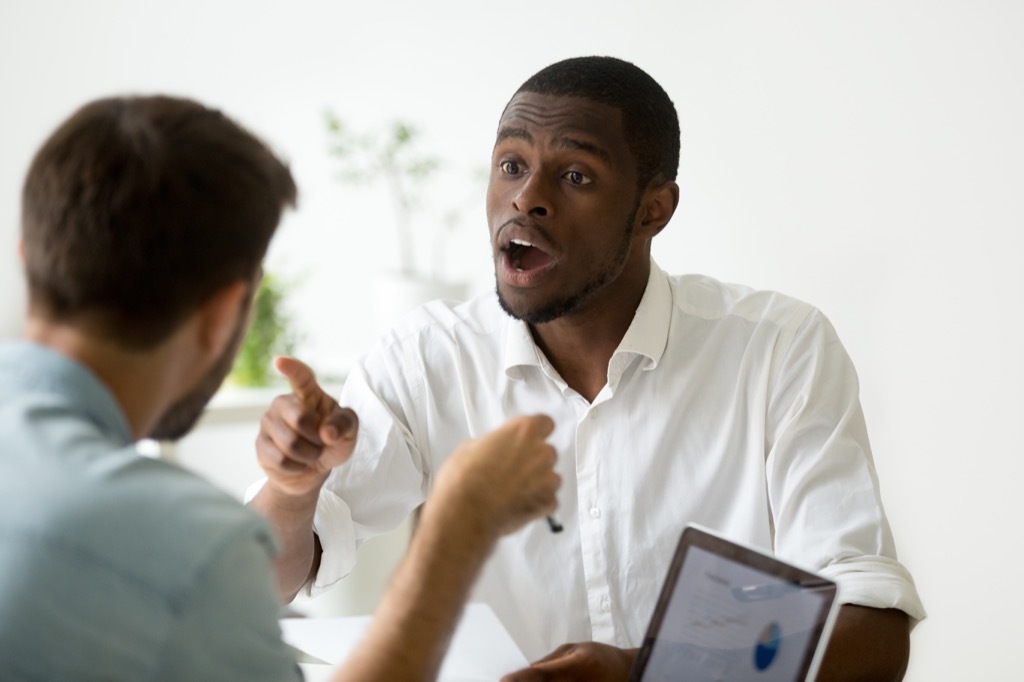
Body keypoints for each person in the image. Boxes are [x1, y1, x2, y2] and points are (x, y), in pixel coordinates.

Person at [0, 95, 562, 682]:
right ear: (225, 315)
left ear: (28, 260)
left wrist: (294, 494)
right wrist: (458, 527)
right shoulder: (182, 545)